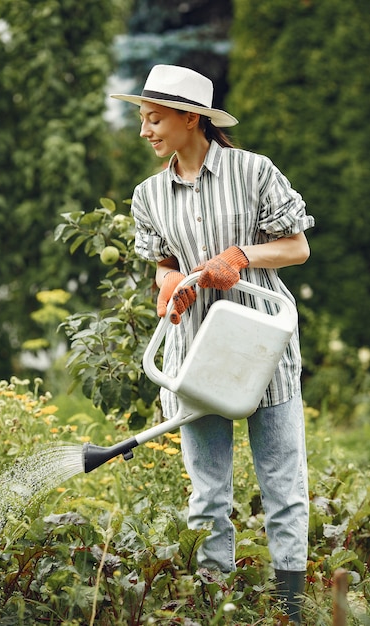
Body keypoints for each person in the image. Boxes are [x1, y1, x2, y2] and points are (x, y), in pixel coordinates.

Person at [111, 64, 314, 624]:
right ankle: (213, 605)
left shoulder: (254, 172)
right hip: (195, 353)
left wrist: (242, 256)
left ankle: (290, 608)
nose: (146, 131)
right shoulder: (149, 195)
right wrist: (169, 284)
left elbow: (296, 248)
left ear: (190, 118)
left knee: (282, 485)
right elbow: (163, 266)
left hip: (261, 350)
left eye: (154, 120)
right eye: (143, 120)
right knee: (206, 494)